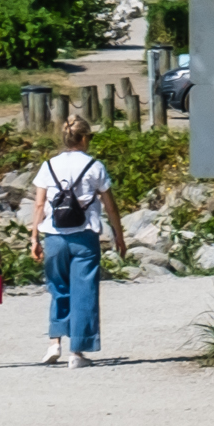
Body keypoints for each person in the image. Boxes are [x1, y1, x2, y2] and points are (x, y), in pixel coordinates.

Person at [30, 119, 131, 365]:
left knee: (58, 288)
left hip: (54, 235)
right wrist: (118, 234)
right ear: (84, 139)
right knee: (84, 290)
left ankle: (54, 343)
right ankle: (77, 352)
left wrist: (34, 236)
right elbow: (110, 205)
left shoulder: (48, 166)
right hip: (84, 236)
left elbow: (40, 204)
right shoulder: (95, 166)